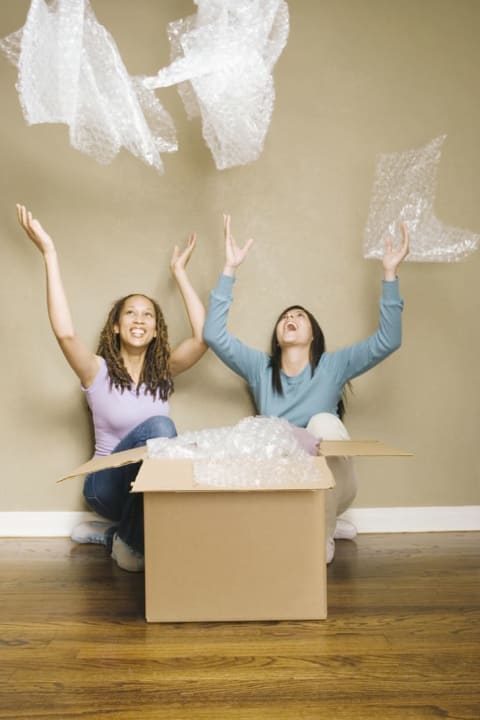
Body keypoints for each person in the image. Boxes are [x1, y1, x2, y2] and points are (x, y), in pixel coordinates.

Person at [203, 214, 409, 563]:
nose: (290, 319)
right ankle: (321, 521)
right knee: (266, 436)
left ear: (313, 335)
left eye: (299, 317)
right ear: (278, 335)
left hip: (335, 484)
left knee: (323, 423)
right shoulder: (259, 368)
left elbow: (389, 340)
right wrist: (229, 269)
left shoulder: (333, 366)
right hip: (281, 481)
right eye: (285, 317)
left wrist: (389, 274)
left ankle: (323, 530)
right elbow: (214, 336)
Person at [16, 204, 207, 571]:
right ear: (116, 326)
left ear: (155, 331)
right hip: (105, 487)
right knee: (160, 428)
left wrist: (179, 273)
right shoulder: (96, 371)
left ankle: (116, 539)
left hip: (150, 492)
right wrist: (49, 253)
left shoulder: (162, 373)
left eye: (147, 315)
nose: (139, 319)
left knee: (178, 509)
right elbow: (65, 331)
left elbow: (202, 338)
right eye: (130, 313)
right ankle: (126, 543)